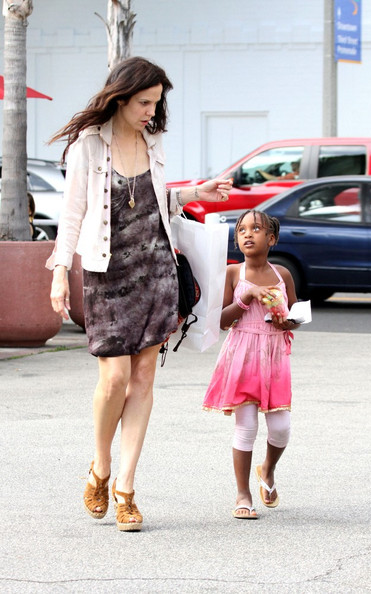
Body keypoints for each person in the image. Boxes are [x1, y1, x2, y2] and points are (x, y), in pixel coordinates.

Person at [46, 56, 232, 532]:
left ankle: (126, 488)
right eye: (145, 102)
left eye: (157, 102)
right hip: (108, 274)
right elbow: (74, 214)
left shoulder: (155, 140)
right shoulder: (89, 144)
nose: (153, 111)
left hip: (156, 270)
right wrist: (58, 270)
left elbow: (150, 200)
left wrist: (197, 192)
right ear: (122, 97)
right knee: (113, 379)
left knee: (145, 376)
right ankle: (100, 467)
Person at [202, 210, 299, 519]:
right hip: (241, 354)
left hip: (273, 356)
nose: (247, 234)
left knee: (281, 428)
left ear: (271, 239)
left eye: (255, 229)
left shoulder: (282, 274)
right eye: (242, 230)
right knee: (246, 426)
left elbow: (296, 316)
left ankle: (267, 470)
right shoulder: (234, 274)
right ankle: (243, 494)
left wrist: (287, 322)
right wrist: (247, 298)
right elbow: (219, 321)